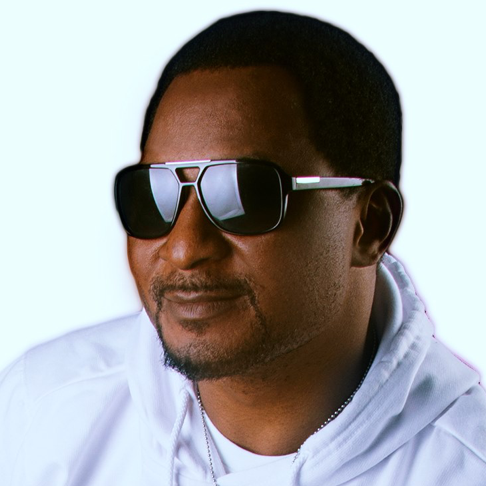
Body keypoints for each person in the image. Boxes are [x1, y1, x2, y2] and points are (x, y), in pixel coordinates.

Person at [1, 10, 484, 486]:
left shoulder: (465, 465)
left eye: (242, 194)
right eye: (154, 195)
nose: (184, 247)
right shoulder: (40, 414)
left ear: (369, 225)